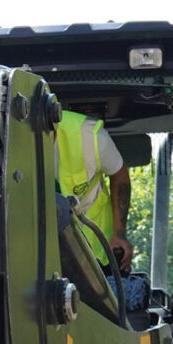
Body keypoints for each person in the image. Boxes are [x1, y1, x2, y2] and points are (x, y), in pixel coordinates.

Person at [57, 109, 133, 273]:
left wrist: (119, 233)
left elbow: (120, 175)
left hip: (95, 253)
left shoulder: (90, 137)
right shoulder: (11, 143)